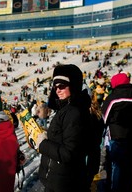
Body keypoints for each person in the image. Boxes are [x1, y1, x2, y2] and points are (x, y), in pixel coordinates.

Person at [36, 64, 92, 192]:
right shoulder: (66, 109)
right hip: (58, 180)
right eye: (55, 87)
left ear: (73, 86)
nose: (57, 90)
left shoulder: (73, 113)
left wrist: (43, 144)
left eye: (61, 86)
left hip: (64, 183)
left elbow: (69, 153)